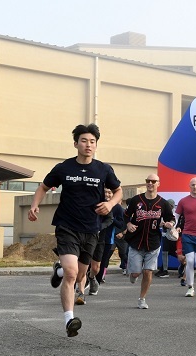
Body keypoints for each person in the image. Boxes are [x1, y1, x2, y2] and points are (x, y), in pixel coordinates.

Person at [27, 123, 122, 337]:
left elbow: (118, 191)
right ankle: (69, 319)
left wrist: (110, 204)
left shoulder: (103, 169)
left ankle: (58, 270)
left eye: (92, 142)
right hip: (67, 225)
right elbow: (43, 186)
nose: (88, 145)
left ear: (96, 146)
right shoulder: (64, 168)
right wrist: (35, 205)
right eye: (84, 141)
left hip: (91, 228)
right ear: (76, 144)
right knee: (72, 274)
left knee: (81, 274)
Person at [124, 174, 175, 309]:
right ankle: (133, 274)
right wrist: (128, 224)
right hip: (136, 241)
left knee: (148, 271)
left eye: (153, 181)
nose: (150, 183)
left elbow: (171, 218)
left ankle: (142, 299)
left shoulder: (163, 203)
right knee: (136, 272)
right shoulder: (136, 200)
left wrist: (169, 224)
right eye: (148, 181)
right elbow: (126, 215)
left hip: (153, 242)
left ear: (158, 183)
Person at [175, 178, 196, 297]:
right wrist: (173, 227)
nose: (195, 187)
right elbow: (176, 216)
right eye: (193, 185)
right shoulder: (183, 201)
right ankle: (190, 287)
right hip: (187, 234)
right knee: (189, 261)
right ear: (189, 186)